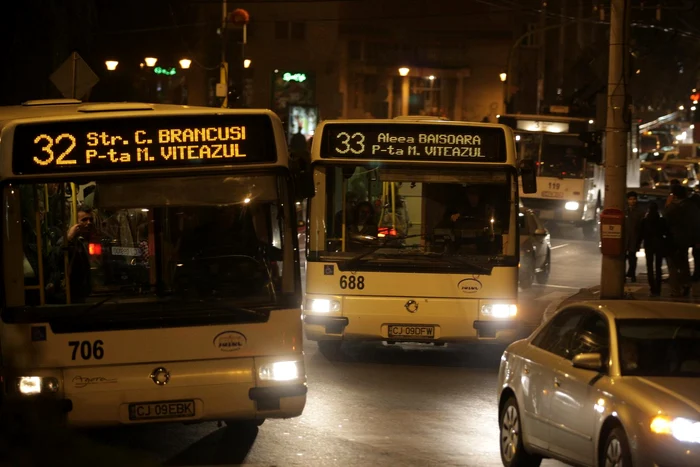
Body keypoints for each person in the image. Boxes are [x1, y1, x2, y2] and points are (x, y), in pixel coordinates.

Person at [664, 184, 700, 297]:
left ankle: (676, 289)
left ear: (674, 195)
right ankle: (686, 283)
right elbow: (696, 224)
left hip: (673, 239)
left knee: (673, 265)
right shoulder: (691, 207)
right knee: (684, 263)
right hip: (686, 240)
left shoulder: (673, 208)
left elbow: (666, 221)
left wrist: (667, 205)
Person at [640, 202, 667, 296]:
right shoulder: (661, 220)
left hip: (648, 245)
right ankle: (658, 288)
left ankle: (652, 287)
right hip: (659, 245)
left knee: (650, 267)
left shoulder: (645, 221)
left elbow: (641, 233)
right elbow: (666, 232)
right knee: (658, 267)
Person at [624, 191, 644, 282]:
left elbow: (641, 226)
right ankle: (623, 275)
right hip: (624, 238)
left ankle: (632, 274)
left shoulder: (640, 212)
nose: (632, 201)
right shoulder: (624, 210)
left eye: (634, 199)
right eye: (630, 199)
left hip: (634, 238)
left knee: (632, 257)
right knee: (623, 257)